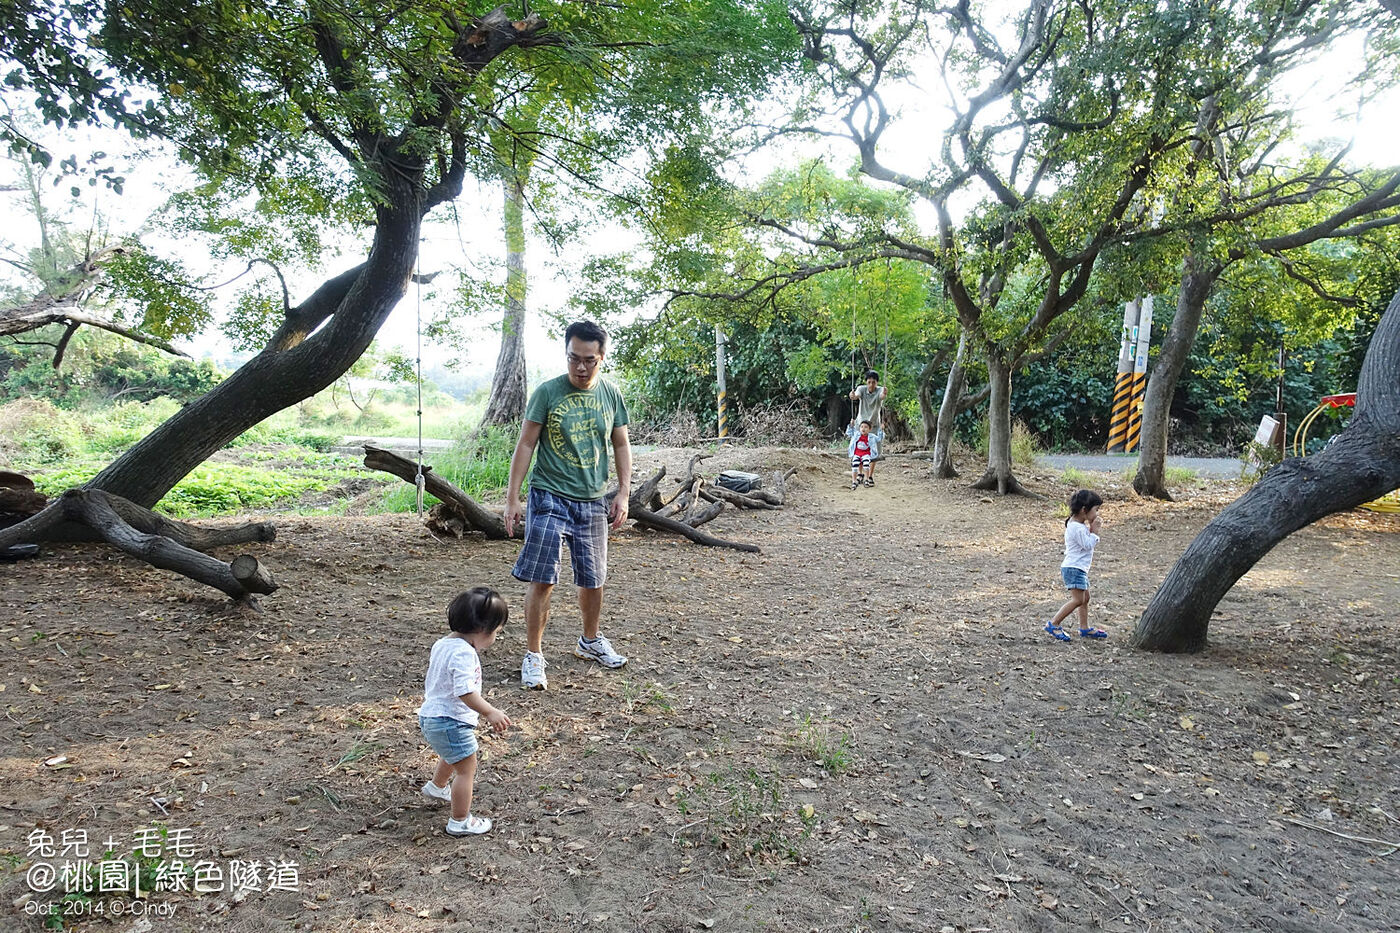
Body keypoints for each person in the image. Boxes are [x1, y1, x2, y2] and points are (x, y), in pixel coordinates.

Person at [504, 320, 632, 690]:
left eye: (589, 360)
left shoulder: (610, 395)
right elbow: (526, 444)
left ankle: (589, 641)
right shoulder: (547, 393)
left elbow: (621, 445)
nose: (580, 367)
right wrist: (514, 498)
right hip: (548, 496)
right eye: (573, 358)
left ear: (602, 358)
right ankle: (533, 655)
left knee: (594, 579)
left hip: (592, 500)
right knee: (543, 578)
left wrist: (622, 493)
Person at [418, 587, 513, 836]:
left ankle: (438, 787)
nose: (495, 639)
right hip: (450, 720)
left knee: (454, 754)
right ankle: (460, 820)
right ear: (483, 630)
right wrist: (490, 711)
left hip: (431, 716)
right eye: (496, 633)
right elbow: (466, 692)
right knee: (466, 769)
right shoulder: (464, 653)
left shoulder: (443, 643)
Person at [1044, 489, 1107, 641]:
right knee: (1078, 600)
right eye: (1096, 510)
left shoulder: (1077, 525)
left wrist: (1090, 529)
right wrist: (1095, 532)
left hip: (1078, 568)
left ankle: (1084, 628)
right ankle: (1054, 623)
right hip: (1074, 568)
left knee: (1085, 598)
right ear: (1084, 510)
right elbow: (1087, 545)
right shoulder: (1077, 528)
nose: (1097, 514)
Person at [848, 370, 887, 483]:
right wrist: (853, 395)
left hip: (874, 424)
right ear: (866, 382)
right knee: (859, 448)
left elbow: (881, 396)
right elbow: (856, 396)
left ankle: (869, 475)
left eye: (873, 382)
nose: (871, 385)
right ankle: (860, 474)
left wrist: (884, 394)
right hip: (861, 424)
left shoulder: (880, 390)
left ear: (877, 383)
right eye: (869, 382)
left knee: (874, 451)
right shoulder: (861, 389)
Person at [847, 419, 875, 488]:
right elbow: (849, 432)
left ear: (869, 429)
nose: (863, 429)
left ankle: (867, 479)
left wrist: (882, 430)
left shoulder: (871, 437)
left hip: (866, 454)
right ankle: (854, 481)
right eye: (861, 427)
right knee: (854, 465)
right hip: (857, 454)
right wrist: (851, 425)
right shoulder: (856, 434)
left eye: (865, 427)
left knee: (866, 465)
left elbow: (879, 439)